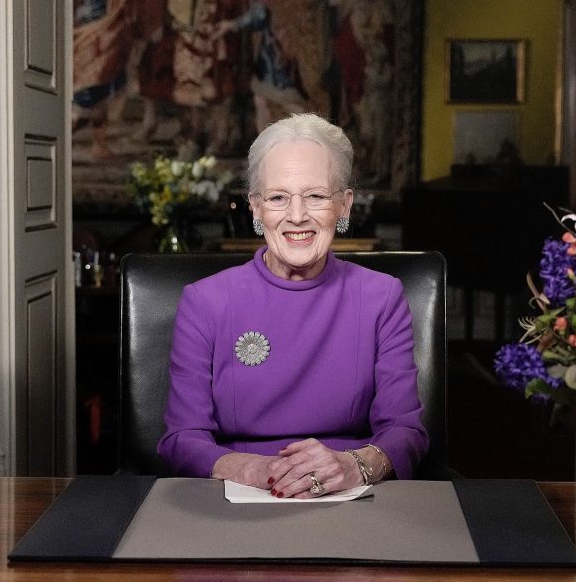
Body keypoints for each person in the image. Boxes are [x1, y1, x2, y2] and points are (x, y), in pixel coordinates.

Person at [158, 113, 428, 498]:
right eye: (278, 197)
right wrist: (259, 470)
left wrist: (353, 466)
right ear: (255, 207)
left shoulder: (381, 297)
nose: (297, 216)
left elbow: (406, 432)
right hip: (237, 497)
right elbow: (181, 439)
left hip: (349, 499)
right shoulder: (204, 301)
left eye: (316, 196)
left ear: (345, 205)